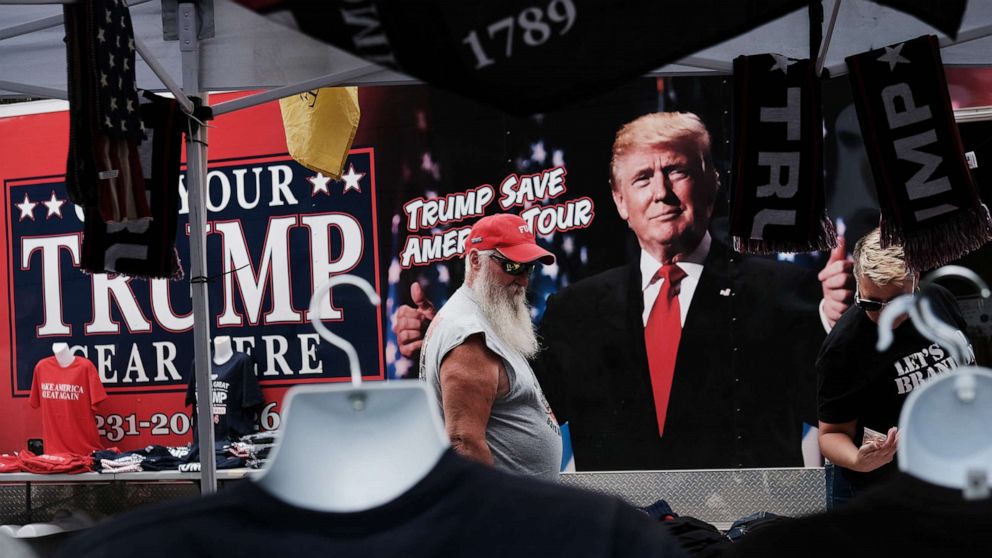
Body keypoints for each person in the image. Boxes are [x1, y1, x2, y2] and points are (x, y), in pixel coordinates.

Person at [398, 112, 854, 470]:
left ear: (713, 184)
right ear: (620, 201)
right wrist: (446, 348)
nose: (662, 193)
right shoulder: (574, 309)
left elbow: (831, 417)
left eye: (676, 172)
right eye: (642, 178)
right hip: (620, 534)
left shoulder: (783, 290)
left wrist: (840, 325)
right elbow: (517, 407)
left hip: (747, 532)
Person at [816, 227, 971, 508]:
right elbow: (830, 434)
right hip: (879, 489)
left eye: (899, 302)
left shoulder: (939, 300)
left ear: (916, 280)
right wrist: (857, 460)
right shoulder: (845, 346)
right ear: (858, 283)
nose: (887, 315)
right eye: (872, 303)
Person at [420, 213, 562, 480]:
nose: (522, 280)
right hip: (506, 514)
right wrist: (493, 514)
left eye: (528, 268)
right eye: (512, 267)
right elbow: (464, 443)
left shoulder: (485, 317)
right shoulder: (469, 336)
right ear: (475, 261)